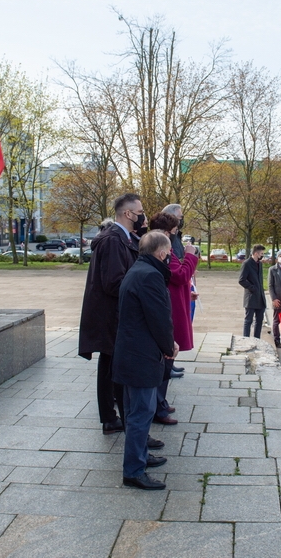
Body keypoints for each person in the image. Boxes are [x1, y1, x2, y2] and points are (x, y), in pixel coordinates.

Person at [112, 231, 178, 490]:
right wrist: (169, 345)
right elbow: (159, 318)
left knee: (133, 413)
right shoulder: (151, 276)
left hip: (130, 353)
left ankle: (140, 457)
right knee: (141, 414)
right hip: (141, 356)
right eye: (169, 252)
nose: (170, 257)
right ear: (161, 253)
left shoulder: (137, 269)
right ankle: (134, 471)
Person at [78, 193, 145, 435]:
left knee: (110, 367)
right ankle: (120, 421)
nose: (142, 217)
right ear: (128, 214)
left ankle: (111, 419)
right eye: (140, 212)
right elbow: (115, 283)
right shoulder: (114, 240)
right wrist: (142, 292)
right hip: (112, 317)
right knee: (114, 369)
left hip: (112, 316)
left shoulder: (121, 238)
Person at [148, 212, 198, 426]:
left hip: (173, 307)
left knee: (167, 364)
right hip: (170, 312)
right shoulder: (162, 252)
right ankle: (158, 407)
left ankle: (161, 402)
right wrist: (190, 255)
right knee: (164, 364)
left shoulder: (164, 251)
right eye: (174, 233)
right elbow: (179, 275)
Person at [162, 203, 191, 379]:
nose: (181, 221)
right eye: (179, 218)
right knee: (170, 329)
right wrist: (190, 257)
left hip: (178, 288)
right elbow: (176, 271)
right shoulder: (166, 240)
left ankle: (170, 364)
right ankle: (167, 366)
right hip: (171, 291)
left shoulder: (176, 237)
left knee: (175, 330)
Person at [238, 245, 267, 337]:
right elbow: (241, 280)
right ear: (255, 253)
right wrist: (252, 288)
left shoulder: (260, 264)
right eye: (261, 253)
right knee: (248, 320)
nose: (262, 255)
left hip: (260, 297)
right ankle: (245, 339)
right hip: (251, 297)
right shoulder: (247, 263)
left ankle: (257, 340)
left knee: (259, 321)